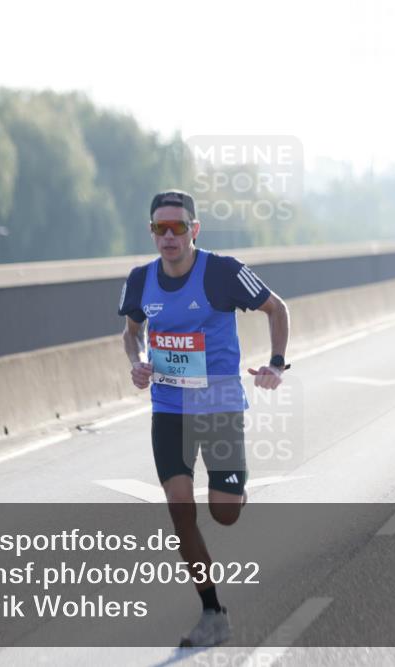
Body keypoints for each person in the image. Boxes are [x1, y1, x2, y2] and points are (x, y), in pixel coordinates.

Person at [118, 190, 290, 648]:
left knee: (225, 512)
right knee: (180, 510)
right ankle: (212, 612)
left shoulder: (222, 271)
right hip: (169, 408)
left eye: (178, 227)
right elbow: (131, 332)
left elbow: (277, 308)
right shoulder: (139, 281)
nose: (169, 237)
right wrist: (136, 361)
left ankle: (237, 490)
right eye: (160, 228)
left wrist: (275, 363)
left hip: (218, 406)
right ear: (151, 233)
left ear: (195, 230)